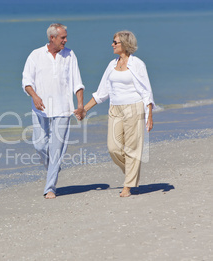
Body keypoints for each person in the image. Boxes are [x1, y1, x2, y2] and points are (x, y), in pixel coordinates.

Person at [81, 30, 155, 197]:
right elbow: (101, 92)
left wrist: (149, 114)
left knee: (132, 149)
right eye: (113, 42)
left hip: (134, 109)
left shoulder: (137, 64)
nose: (112, 45)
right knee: (113, 148)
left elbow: (146, 92)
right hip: (115, 109)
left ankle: (128, 186)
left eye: (116, 42)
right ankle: (131, 172)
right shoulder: (111, 65)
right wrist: (84, 109)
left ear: (126, 44)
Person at [22, 23, 86, 199]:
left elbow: (77, 83)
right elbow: (27, 81)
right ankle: (54, 167)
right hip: (40, 109)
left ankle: (50, 188)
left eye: (65, 37)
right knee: (39, 145)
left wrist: (80, 106)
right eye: (62, 37)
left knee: (56, 150)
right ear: (52, 38)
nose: (66, 40)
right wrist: (34, 96)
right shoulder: (35, 55)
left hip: (63, 109)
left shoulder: (70, 55)